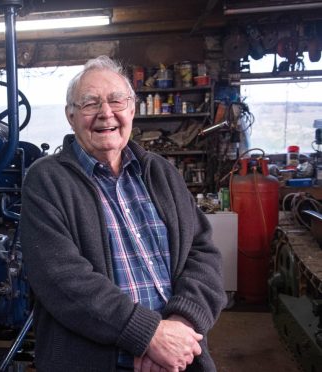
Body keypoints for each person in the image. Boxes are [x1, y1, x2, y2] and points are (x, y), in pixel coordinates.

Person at [20, 55, 226, 372]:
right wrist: (148, 336)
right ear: (71, 116)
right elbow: (61, 279)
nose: (106, 113)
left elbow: (202, 251)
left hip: (178, 356)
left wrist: (180, 326)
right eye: (90, 104)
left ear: (131, 109)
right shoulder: (46, 180)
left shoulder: (159, 172)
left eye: (116, 100)